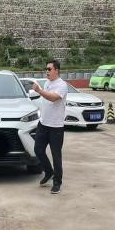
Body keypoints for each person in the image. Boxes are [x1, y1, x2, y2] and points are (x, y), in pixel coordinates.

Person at [31, 59, 68, 194]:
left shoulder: (62, 85)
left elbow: (53, 98)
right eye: (46, 69)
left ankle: (57, 182)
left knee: (56, 155)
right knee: (38, 150)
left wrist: (39, 91)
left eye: (49, 69)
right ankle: (48, 172)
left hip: (56, 127)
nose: (46, 71)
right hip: (43, 124)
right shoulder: (47, 83)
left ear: (56, 70)